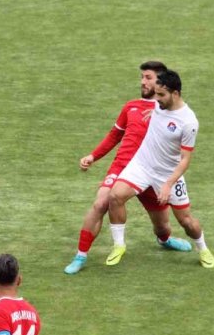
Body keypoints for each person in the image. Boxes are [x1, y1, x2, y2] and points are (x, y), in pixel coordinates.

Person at [65, 61, 192, 275]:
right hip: (124, 168)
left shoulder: (170, 112)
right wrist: (93, 156)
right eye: (142, 77)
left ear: (161, 82)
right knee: (100, 203)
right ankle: (80, 255)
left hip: (154, 171)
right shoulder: (131, 106)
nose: (143, 82)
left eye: (148, 77)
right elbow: (115, 134)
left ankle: (165, 239)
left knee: (162, 226)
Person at [107, 70, 214, 268]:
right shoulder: (159, 104)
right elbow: (156, 109)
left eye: (161, 95)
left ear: (175, 94)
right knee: (115, 196)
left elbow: (185, 160)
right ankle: (119, 245)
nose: (156, 99)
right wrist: (153, 112)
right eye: (156, 94)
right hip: (142, 164)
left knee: (186, 222)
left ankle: (203, 248)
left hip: (168, 174)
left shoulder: (189, 122)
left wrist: (167, 184)